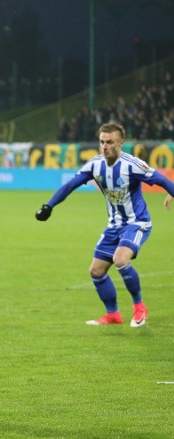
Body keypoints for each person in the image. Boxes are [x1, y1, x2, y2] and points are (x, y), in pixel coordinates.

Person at [35, 122, 174, 327]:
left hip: (137, 223)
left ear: (120, 142)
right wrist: (49, 206)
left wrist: (171, 193)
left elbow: (162, 180)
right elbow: (71, 185)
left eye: (110, 142)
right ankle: (112, 315)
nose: (105, 146)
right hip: (113, 225)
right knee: (96, 271)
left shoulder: (132, 165)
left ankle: (139, 308)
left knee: (120, 259)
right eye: (102, 142)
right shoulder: (95, 165)